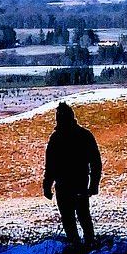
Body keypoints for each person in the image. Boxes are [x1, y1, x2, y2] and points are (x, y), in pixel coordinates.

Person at [41, 102, 103, 244]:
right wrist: (93, 184)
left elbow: (50, 165)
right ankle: (88, 243)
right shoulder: (84, 135)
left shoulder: (56, 138)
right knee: (81, 216)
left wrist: (47, 185)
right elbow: (95, 163)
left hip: (67, 184)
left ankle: (78, 245)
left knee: (72, 217)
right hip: (78, 182)